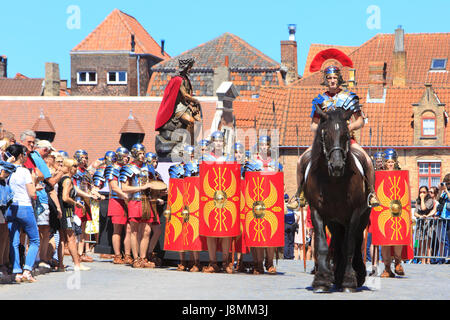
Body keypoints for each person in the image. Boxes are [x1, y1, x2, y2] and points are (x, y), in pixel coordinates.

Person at [296, 64, 379, 208]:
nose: (332, 80)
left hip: (346, 140)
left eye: (335, 77)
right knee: (300, 161)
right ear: (325, 80)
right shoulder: (319, 100)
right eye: (329, 78)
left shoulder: (349, 97)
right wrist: (323, 130)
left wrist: (348, 128)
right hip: (325, 141)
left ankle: (371, 193)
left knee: (368, 161)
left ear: (339, 79)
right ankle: (299, 194)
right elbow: (313, 124)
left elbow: (360, 120)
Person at [4, 144, 39, 282]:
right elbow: (32, 193)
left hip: (10, 207)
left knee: (14, 240)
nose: (26, 157)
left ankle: (17, 271)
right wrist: (35, 183)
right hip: (24, 206)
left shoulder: (6, 171)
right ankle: (27, 270)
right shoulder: (24, 172)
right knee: (35, 239)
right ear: (20, 156)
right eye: (24, 155)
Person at [155, 57, 202, 159]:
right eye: (189, 67)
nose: (190, 69)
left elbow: (188, 97)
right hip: (178, 107)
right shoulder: (178, 80)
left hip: (185, 105)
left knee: (198, 120)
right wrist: (196, 101)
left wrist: (192, 106)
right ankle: (188, 144)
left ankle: (193, 142)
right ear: (185, 67)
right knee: (191, 121)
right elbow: (185, 95)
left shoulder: (186, 80)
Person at [202, 131, 233, 274]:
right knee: (210, 231)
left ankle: (226, 262)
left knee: (226, 232)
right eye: (216, 141)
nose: (219, 143)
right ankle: (213, 262)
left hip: (226, 198)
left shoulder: (229, 159)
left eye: (221, 141)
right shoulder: (206, 158)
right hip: (210, 198)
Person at [120, 144, 155, 268]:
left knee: (146, 231)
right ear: (134, 154)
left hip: (146, 201)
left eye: (143, 153)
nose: (142, 156)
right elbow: (124, 187)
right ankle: (136, 258)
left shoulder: (148, 167)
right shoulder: (128, 168)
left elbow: (154, 183)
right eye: (140, 153)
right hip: (135, 201)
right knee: (134, 231)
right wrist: (141, 187)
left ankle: (143, 257)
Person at [57, 158, 90, 272]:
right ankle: (77, 263)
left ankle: (60, 264)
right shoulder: (67, 180)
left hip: (63, 211)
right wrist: (76, 203)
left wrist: (89, 196)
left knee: (62, 238)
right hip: (67, 211)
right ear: (69, 167)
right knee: (71, 237)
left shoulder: (64, 179)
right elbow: (65, 197)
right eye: (74, 166)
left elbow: (76, 191)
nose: (76, 168)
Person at [380, 148, 406, 278]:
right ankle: (386, 268)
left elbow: (404, 193)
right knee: (384, 240)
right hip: (383, 211)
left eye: (392, 162)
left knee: (397, 238)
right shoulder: (379, 175)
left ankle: (398, 262)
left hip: (398, 211)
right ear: (384, 163)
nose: (390, 164)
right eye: (388, 162)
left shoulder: (401, 176)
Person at [105, 147, 133, 265]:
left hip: (128, 201)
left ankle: (127, 255)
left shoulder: (127, 169)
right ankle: (117, 255)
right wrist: (125, 196)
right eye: (125, 156)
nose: (127, 158)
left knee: (129, 228)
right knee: (117, 229)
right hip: (117, 201)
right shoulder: (112, 168)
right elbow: (115, 187)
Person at [144, 151, 166, 267]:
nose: (155, 163)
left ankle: (149, 252)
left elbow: (161, 189)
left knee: (157, 230)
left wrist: (161, 194)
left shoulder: (157, 174)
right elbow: (145, 190)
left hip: (154, 206)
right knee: (145, 231)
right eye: (153, 161)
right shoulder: (144, 173)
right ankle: (141, 256)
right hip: (145, 203)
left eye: (156, 161)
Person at [0, 160, 16, 279]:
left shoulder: (4, 185)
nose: (7, 175)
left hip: (3, 210)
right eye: (6, 172)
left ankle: (4, 263)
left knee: (4, 236)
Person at [414, 186, 435, 264]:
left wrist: (422, 199)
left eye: (424, 192)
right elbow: (415, 213)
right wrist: (420, 216)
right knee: (421, 243)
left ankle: (428, 260)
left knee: (428, 243)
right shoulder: (418, 201)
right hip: (420, 224)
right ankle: (422, 260)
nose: (422, 194)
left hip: (427, 224)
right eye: (420, 192)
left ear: (427, 193)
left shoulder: (430, 200)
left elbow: (423, 208)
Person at [435, 174, 450, 263]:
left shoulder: (447, 191)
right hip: (443, 218)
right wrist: (440, 191)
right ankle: (445, 257)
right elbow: (438, 200)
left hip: (449, 218)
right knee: (444, 239)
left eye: (448, 183)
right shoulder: (444, 192)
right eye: (446, 183)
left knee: (449, 238)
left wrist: (446, 190)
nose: (447, 185)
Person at [284, 194, 296, 260]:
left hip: (285, 224)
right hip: (291, 225)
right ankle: (291, 255)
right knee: (291, 241)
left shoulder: (283, 206)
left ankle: (286, 256)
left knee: (286, 241)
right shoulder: (291, 207)